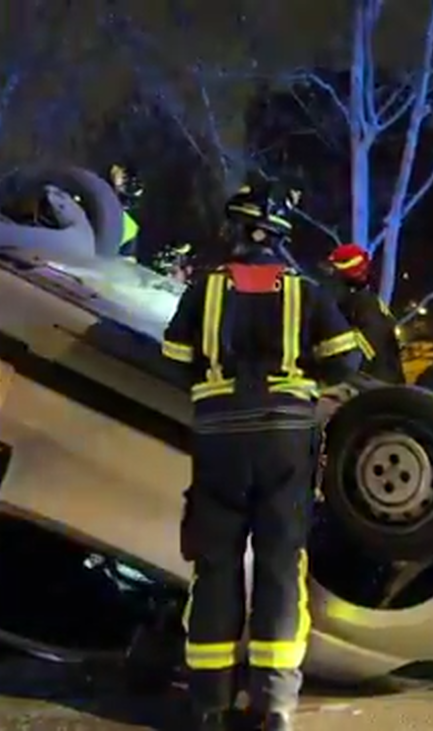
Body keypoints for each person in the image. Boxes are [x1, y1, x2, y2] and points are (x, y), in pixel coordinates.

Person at [160, 178, 363, 731]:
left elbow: (175, 357)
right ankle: (274, 704)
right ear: (278, 235)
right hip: (285, 440)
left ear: (237, 231)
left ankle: (210, 703)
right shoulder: (306, 291)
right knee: (280, 565)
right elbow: (345, 361)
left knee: (216, 565)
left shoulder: (205, 290)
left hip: (220, 440)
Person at [325, 243, 405, 384]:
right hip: (385, 383)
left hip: (369, 386)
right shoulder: (369, 301)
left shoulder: (359, 303)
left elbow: (359, 351)